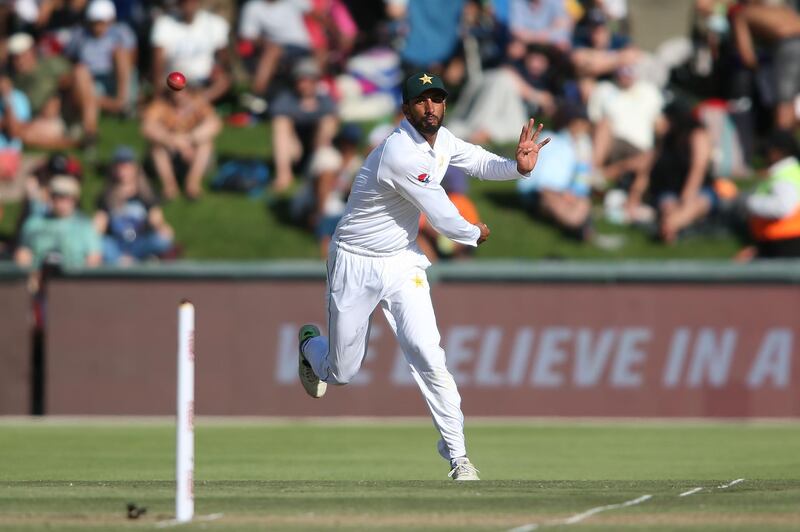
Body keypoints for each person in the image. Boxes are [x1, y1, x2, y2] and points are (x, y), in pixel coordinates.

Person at [297, 72, 549, 480]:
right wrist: (473, 233)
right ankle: (310, 346)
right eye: (421, 101)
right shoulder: (399, 152)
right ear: (406, 109)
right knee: (341, 373)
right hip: (355, 261)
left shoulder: (443, 141)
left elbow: (481, 161)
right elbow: (442, 214)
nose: (430, 108)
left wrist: (516, 168)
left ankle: (458, 456)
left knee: (429, 354)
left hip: (402, 262)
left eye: (436, 100)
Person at [626, 101, 716, 243]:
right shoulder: (666, 139)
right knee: (669, 208)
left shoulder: (697, 135)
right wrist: (634, 196)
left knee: (693, 207)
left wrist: (686, 198)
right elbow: (647, 169)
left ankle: (669, 227)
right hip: (670, 191)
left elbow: (698, 168)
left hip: (698, 190)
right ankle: (671, 228)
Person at [94, 146, 175, 265]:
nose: (123, 171)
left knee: (161, 240)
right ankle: (125, 261)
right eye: (119, 167)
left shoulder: (146, 194)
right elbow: (99, 223)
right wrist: (93, 235)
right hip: (117, 243)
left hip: (140, 242)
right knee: (100, 243)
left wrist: (162, 228)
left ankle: (137, 259)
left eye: (126, 166)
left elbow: (156, 219)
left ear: (135, 168)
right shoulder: (107, 196)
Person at [141, 86, 223, 200]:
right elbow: (148, 127)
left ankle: (193, 184)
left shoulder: (198, 104)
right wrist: (172, 140)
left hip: (194, 154)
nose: (178, 96)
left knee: (205, 144)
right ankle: (169, 186)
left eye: (182, 92)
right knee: (157, 147)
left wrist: (190, 139)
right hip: (169, 152)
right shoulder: (160, 105)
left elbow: (214, 124)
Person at [269, 58, 338, 192]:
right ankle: (283, 175)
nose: (305, 85)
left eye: (309, 80)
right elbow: (280, 119)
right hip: (294, 151)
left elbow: (333, 125)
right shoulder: (286, 100)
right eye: (301, 80)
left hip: (317, 148)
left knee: (328, 122)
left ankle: (320, 171)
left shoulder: (325, 101)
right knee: (281, 123)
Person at [14, 174, 102, 270]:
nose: (61, 202)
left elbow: (94, 257)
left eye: (66, 197)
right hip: (39, 277)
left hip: (74, 279)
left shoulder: (84, 225)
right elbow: (23, 253)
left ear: (75, 199)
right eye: (57, 196)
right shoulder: (34, 224)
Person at [150, 0, 231, 103]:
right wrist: (159, 86)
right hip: (176, 79)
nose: (189, 5)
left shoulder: (214, 23)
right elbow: (158, 60)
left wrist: (218, 67)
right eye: (184, 2)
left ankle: (196, 103)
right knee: (173, 85)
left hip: (204, 80)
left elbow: (223, 55)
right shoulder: (164, 23)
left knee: (223, 80)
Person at [737, 129, 800, 258]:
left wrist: (750, 202)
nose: (764, 156)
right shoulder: (786, 172)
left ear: (777, 152)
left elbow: (783, 207)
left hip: (786, 243)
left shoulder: (785, 176)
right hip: (777, 240)